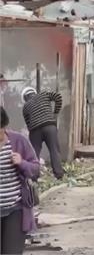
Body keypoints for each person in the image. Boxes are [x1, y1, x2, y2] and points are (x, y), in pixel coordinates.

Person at [1, 106, 40, 255]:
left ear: (4, 126)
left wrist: (22, 163)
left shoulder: (18, 141)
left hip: (15, 209)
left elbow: (36, 169)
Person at [20, 87, 64, 180]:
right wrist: (55, 113)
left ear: (25, 97)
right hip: (49, 126)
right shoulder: (44, 94)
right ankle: (59, 175)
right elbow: (58, 97)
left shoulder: (25, 107)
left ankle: (34, 176)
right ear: (34, 92)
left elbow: (28, 124)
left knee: (34, 153)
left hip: (35, 130)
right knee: (54, 150)